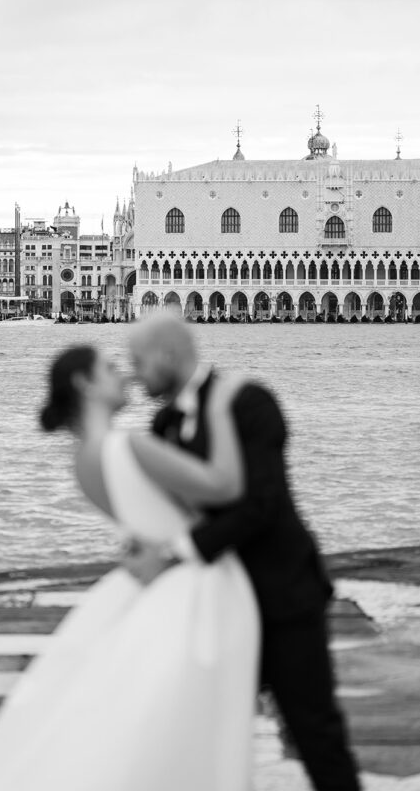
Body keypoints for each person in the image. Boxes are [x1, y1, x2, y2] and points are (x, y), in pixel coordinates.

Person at [0, 344, 259, 791]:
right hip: (196, 586)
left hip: (152, 581)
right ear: (85, 384)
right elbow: (225, 487)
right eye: (109, 368)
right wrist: (219, 406)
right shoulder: (129, 446)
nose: (123, 375)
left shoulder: (82, 462)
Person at [128, 314, 361, 791]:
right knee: (200, 736)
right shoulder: (162, 424)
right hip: (218, 605)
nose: (134, 373)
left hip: (283, 599)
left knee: (314, 732)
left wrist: (175, 553)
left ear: (168, 355)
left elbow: (261, 506)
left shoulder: (251, 403)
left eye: (138, 360)